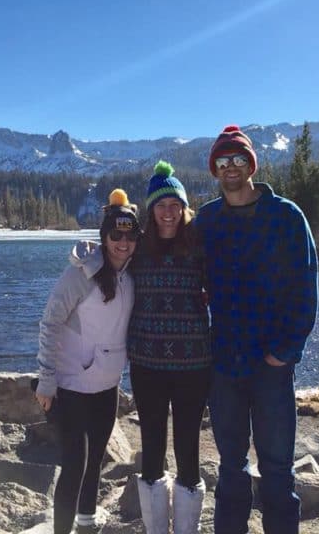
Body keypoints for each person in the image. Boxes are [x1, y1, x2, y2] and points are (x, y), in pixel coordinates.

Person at [195, 125, 319, 534]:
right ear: (216, 169)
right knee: (231, 468)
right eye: (223, 161)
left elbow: (306, 286)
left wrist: (286, 351)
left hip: (272, 364)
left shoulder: (285, 215)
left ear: (251, 164)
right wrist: (106, 253)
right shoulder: (208, 220)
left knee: (277, 468)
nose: (231, 167)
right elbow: (175, 261)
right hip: (225, 362)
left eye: (238, 160)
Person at [35, 188, 140, 534]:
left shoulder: (133, 274)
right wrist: (46, 380)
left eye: (130, 234)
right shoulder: (81, 274)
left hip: (107, 387)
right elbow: (50, 322)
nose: (123, 242)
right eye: (115, 234)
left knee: (96, 459)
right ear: (104, 236)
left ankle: (87, 523)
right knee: (74, 466)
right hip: (71, 387)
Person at [128, 161, 211, 534]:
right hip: (146, 363)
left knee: (189, 447)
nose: (168, 212)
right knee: (152, 446)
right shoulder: (138, 247)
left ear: (183, 207)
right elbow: (108, 259)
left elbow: (227, 280)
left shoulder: (199, 243)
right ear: (151, 209)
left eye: (175, 204)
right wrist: (85, 256)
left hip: (194, 362)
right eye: (161, 205)